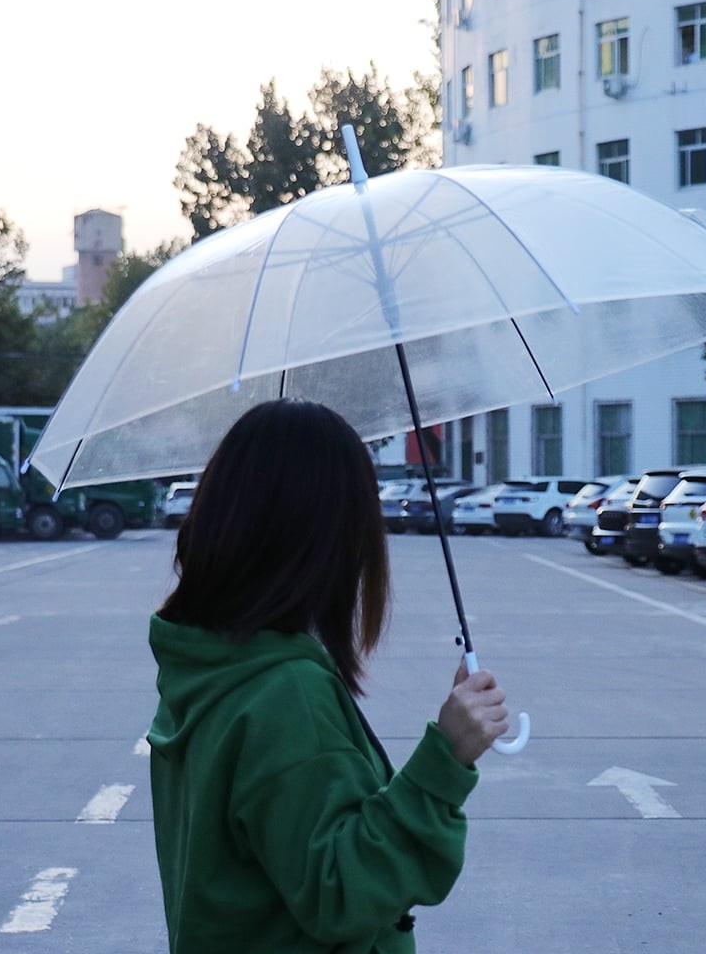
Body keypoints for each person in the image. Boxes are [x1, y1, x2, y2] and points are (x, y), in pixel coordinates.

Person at [148, 398, 510, 954]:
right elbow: (341, 891)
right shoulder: (285, 692)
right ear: (327, 534)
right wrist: (446, 760)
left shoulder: (208, 664)